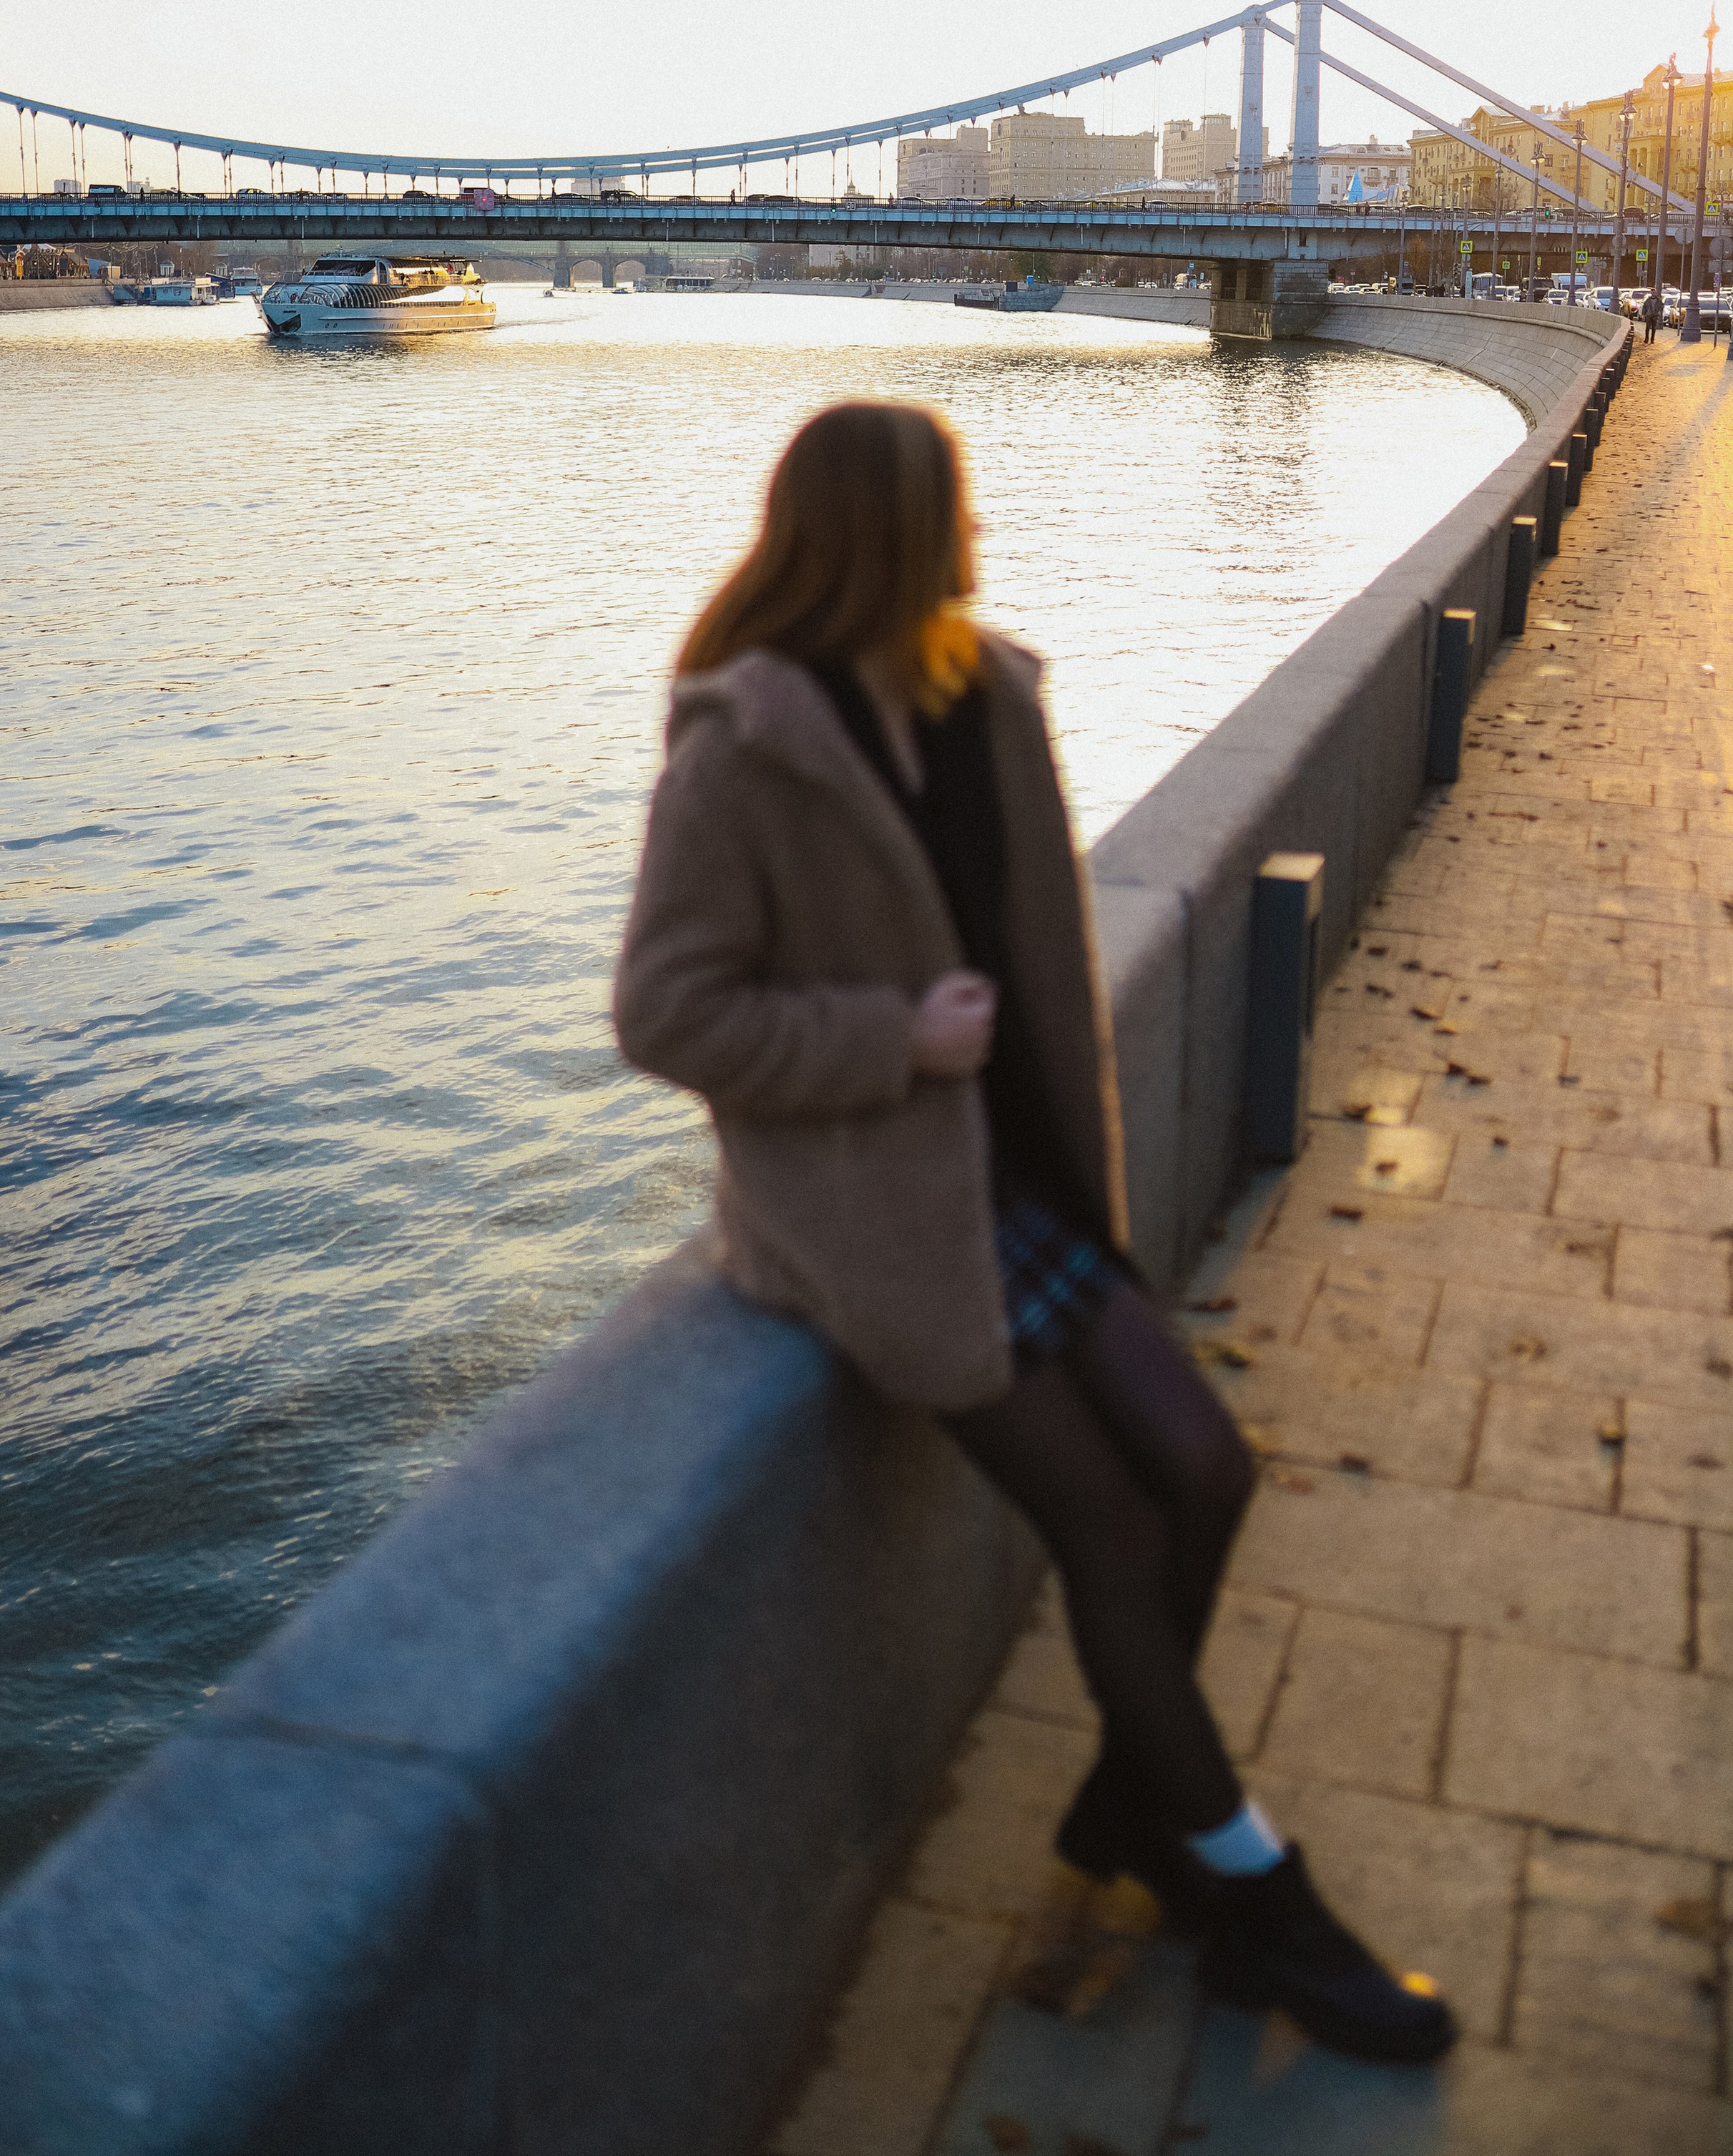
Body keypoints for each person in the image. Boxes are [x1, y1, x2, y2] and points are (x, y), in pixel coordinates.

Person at [614, 401, 1455, 2067]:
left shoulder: (976, 691)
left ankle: (1137, 1798)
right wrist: (887, 1040)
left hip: (1026, 1185)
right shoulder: (744, 744)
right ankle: (1244, 1887)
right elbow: (664, 1011)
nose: (966, 538)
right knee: (1111, 1526)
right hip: (880, 1217)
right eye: (945, 513)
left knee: (1204, 1473)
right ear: (880, 530)